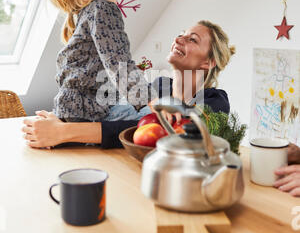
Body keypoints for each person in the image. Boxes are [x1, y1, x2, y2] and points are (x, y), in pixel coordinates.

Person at [22, 20, 235, 148]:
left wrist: (64, 132)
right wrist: (63, 122)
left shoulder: (215, 102)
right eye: (181, 34)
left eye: (192, 39)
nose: (179, 39)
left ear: (208, 62)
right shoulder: (159, 87)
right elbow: (116, 118)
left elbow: (149, 133)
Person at [45, 0, 150, 122]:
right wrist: (149, 100)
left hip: (76, 109)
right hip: (88, 113)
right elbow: (118, 63)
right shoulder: (102, 9)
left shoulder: (90, 12)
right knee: (168, 113)